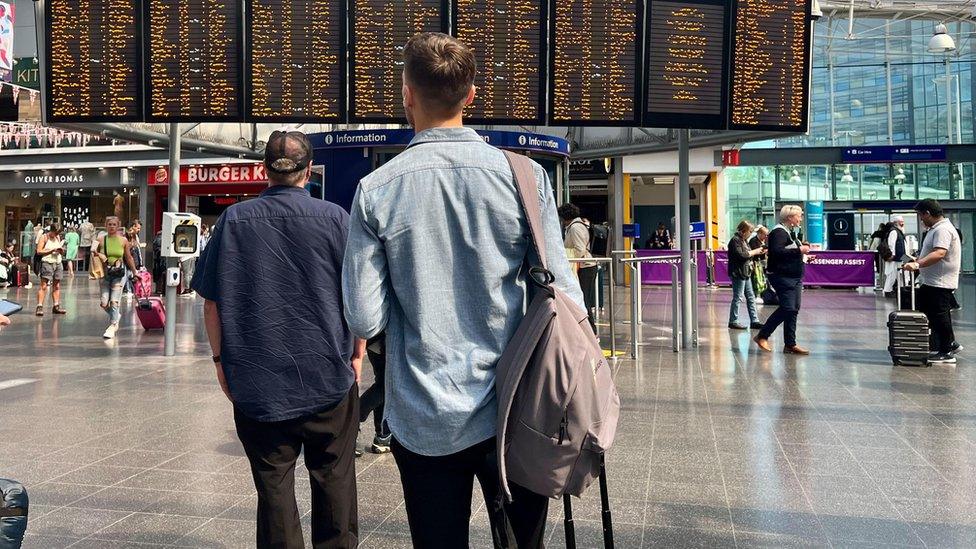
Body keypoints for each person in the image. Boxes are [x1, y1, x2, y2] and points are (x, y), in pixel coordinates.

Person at [342, 32, 584, 549]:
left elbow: (363, 318)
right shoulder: (525, 177)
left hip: (424, 413)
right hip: (519, 410)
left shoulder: (376, 190)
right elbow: (565, 294)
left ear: (406, 92)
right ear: (470, 95)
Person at [191, 130, 363, 548]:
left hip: (257, 381)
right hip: (328, 376)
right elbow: (359, 297)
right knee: (334, 479)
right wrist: (357, 354)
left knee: (273, 488)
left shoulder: (233, 220)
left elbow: (211, 303)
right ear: (309, 170)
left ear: (264, 169)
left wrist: (220, 362)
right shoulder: (336, 219)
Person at [903, 199, 962, 364]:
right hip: (933, 281)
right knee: (933, 314)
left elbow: (939, 253)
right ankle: (950, 343)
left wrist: (917, 263)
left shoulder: (942, 230)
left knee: (939, 316)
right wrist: (918, 258)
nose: (921, 220)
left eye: (921, 216)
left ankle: (946, 351)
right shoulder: (937, 229)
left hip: (940, 282)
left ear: (927, 213)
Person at [754, 205, 812, 355]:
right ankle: (762, 335)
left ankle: (790, 344)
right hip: (783, 276)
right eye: (799, 215)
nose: (801, 218)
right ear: (790, 218)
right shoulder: (778, 232)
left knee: (794, 309)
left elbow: (789, 252)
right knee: (788, 308)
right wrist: (799, 250)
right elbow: (777, 252)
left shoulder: (791, 232)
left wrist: (804, 256)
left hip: (795, 276)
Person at [94, 217, 137, 338]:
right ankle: (116, 315)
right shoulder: (100, 239)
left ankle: (113, 325)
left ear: (118, 226)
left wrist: (135, 271)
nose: (112, 226)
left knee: (114, 301)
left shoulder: (123, 240)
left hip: (119, 274)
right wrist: (98, 257)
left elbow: (128, 257)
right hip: (105, 273)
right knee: (103, 302)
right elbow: (93, 254)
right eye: (109, 224)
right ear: (106, 225)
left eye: (114, 224)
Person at [560, 203, 598, 335]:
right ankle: (590, 331)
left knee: (584, 300)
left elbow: (579, 250)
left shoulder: (575, 228)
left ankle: (591, 332)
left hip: (584, 267)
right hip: (585, 266)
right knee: (584, 299)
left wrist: (566, 255)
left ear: (566, 217)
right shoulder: (577, 225)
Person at [728, 220, 765, 330]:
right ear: (744, 231)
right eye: (750, 231)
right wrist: (755, 251)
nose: (751, 233)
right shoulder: (735, 241)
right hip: (738, 272)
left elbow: (747, 255)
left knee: (751, 296)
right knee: (738, 297)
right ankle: (733, 320)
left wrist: (758, 252)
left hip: (745, 272)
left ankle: (754, 320)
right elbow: (742, 255)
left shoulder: (744, 241)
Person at [358, 334, 391, 455]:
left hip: (377, 340)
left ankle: (383, 435)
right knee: (386, 385)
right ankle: (352, 420)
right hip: (383, 339)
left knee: (384, 384)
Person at [35, 223, 68, 317]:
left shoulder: (57, 238)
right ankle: (40, 306)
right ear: (51, 230)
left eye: (58, 233)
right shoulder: (44, 237)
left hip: (58, 262)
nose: (57, 235)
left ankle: (56, 306)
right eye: (55, 233)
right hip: (47, 263)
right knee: (44, 286)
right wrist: (51, 250)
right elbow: (39, 251)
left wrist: (61, 251)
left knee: (57, 285)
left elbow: (58, 249)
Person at [883, 215, 910, 297]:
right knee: (892, 274)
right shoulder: (894, 232)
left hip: (902, 256)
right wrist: (892, 255)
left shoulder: (900, 231)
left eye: (903, 221)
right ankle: (887, 291)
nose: (903, 223)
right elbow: (891, 245)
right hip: (896, 257)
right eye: (901, 222)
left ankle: (901, 289)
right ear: (896, 223)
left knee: (903, 274)